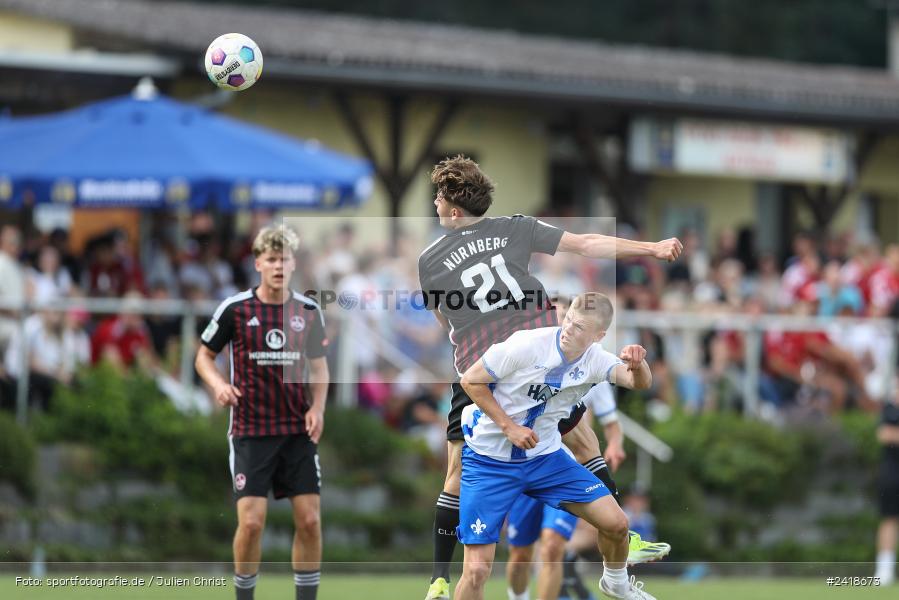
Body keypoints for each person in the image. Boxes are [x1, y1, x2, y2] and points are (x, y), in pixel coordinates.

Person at [419, 155, 681, 600]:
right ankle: (624, 539)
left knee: (455, 473)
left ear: (454, 209)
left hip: (483, 370)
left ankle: (438, 579)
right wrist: (650, 249)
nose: (436, 206)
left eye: (439, 199)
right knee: (583, 441)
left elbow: (446, 319)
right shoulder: (514, 227)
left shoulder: (430, 259)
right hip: (536, 357)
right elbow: (587, 243)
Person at [455, 292, 657, 600]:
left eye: (580, 328)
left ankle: (616, 582)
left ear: (598, 336)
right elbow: (471, 381)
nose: (569, 331)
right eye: (569, 321)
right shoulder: (527, 344)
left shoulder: (596, 359)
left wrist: (639, 363)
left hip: (545, 459)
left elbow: (639, 382)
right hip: (489, 460)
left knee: (617, 523)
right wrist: (509, 427)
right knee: (477, 571)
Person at [195, 225, 329, 600]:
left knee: (310, 520)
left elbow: (319, 368)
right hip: (251, 430)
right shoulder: (235, 310)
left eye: (284, 259)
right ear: (258, 264)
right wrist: (219, 385)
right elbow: (203, 357)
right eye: (271, 259)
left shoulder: (307, 309)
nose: (278, 266)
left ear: (293, 263)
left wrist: (318, 408)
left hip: (296, 431)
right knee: (252, 524)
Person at [875, 400, 899, 586]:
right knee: (889, 519)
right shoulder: (890, 409)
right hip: (893, 474)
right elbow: (884, 434)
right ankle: (885, 569)